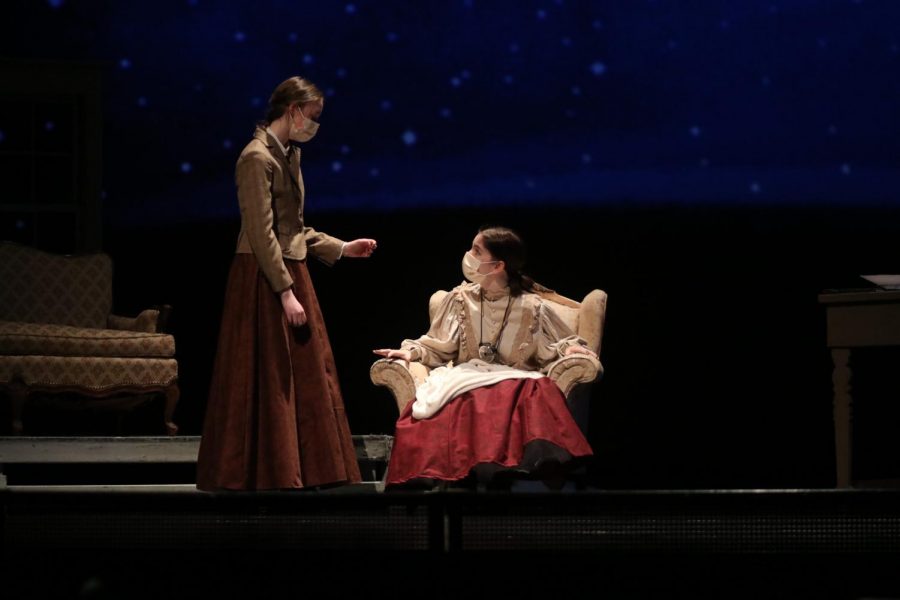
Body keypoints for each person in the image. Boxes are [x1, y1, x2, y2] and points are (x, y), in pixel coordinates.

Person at [197, 76, 377, 491]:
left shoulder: (287, 154)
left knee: (306, 373)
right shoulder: (256, 158)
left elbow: (292, 228)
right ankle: (264, 471)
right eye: (311, 117)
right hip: (262, 276)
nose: (313, 125)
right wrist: (284, 292)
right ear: (292, 110)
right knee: (267, 372)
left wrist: (341, 247)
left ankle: (305, 468)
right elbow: (261, 233)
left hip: (289, 269)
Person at [373, 226, 595, 490]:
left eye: (476, 251)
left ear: (498, 265)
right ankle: (460, 476)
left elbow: (556, 343)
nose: (468, 255)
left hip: (514, 374)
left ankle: (507, 473)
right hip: (467, 373)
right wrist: (410, 352)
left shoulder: (531, 306)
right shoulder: (460, 300)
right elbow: (439, 344)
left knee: (530, 390)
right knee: (456, 396)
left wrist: (568, 349)